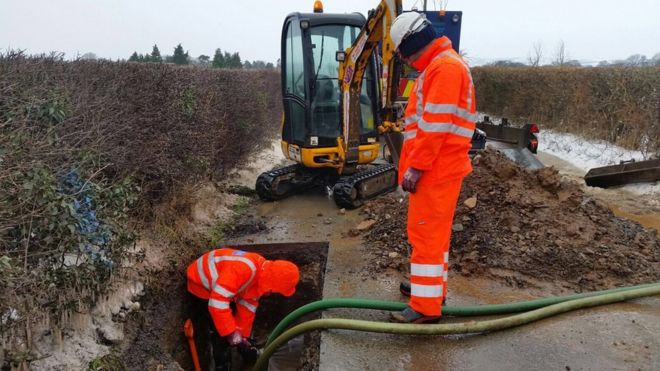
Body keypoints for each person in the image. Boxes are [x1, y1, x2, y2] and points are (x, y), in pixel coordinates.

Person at [388, 12, 476, 323]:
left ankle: (425, 307)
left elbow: (434, 126)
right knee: (432, 237)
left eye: (402, 51)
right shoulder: (442, 66)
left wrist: (416, 168)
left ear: (413, 44)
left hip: (435, 170)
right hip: (438, 169)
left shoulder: (445, 69)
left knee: (425, 236)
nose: (402, 58)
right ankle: (428, 290)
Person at [186, 247, 300, 370]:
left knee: (231, 323)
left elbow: (247, 305)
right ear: (270, 284)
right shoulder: (243, 270)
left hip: (223, 288)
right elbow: (217, 302)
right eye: (272, 290)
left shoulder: (261, 273)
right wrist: (230, 332)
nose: (270, 293)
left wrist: (242, 333)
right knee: (220, 332)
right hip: (201, 284)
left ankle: (242, 350)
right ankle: (222, 365)